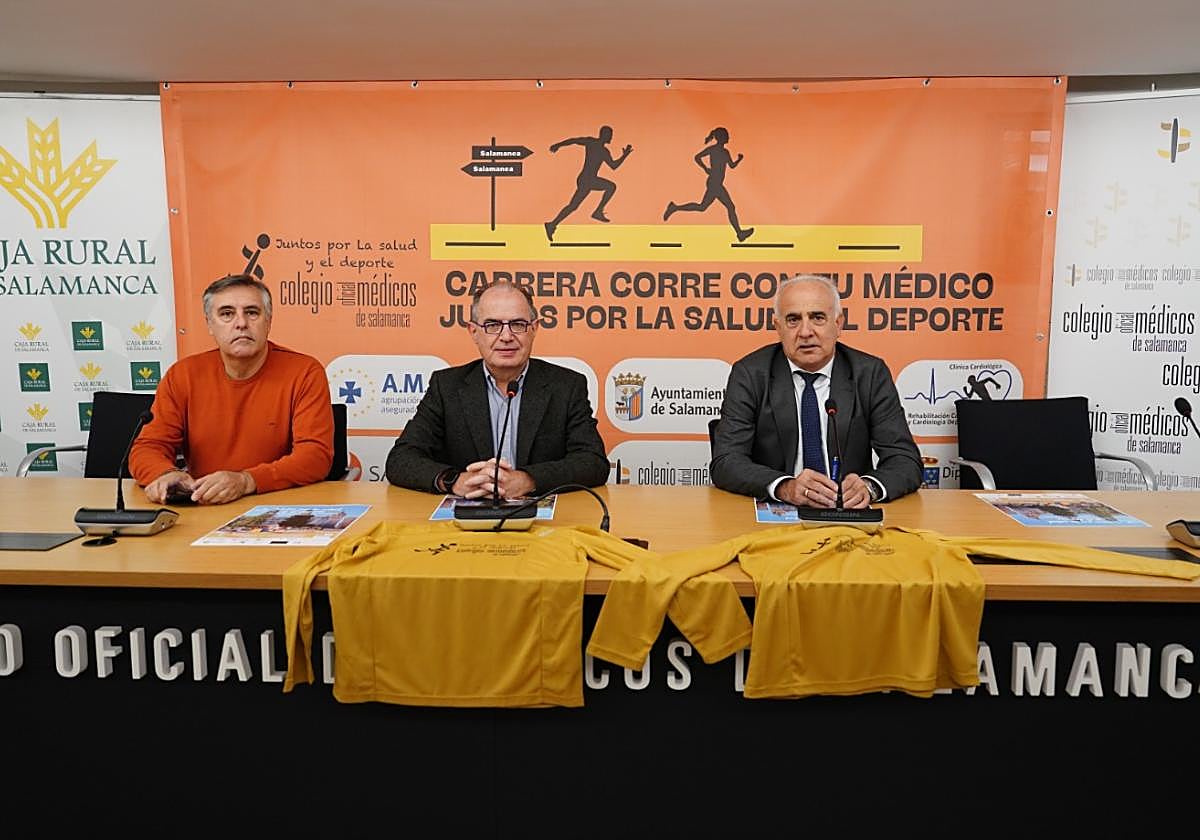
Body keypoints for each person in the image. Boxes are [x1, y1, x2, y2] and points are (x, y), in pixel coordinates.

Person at [710, 274, 922, 507]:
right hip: (777, 512)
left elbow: (905, 460)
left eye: (817, 318)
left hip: (848, 513)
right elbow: (726, 460)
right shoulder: (751, 373)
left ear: (838, 324)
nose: (805, 332)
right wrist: (785, 487)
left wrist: (869, 487)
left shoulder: (869, 374)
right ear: (778, 327)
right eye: (793, 320)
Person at [386, 281, 609, 497]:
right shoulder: (446, 387)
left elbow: (593, 462)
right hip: (467, 516)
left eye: (518, 324)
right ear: (473, 331)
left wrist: (528, 480)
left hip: (540, 517)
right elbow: (400, 459)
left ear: (534, 329)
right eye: (492, 325)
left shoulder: (567, 386)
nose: (506, 336)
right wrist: (455, 481)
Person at [130, 273, 334, 505]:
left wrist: (246, 481)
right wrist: (166, 474)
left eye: (252, 312)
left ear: (268, 321)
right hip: (203, 504)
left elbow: (315, 456)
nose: (241, 323)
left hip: (276, 503)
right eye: (227, 314)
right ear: (210, 324)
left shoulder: (304, 372)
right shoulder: (183, 374)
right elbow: (148, 447)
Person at [663, 127, 754, 242]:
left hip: (716, 183)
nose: (728, 137)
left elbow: (731, 166)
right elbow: (697, 157)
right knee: (729, 207)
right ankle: (739, 233)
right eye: (726, 136)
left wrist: (739, 160)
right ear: (721, 138)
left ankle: (675, 207)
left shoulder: (725, 152)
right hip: (714, 183)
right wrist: (705, 168)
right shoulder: (713, 149)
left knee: (703, 207)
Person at [544, 126, 634, 241]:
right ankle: (597, 212)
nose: (611, 138)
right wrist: (558, 145)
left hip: (587, 179)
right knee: (611, 187)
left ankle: (552, 224)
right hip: (587, 180)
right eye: (610, 135)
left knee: (573, 206)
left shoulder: (600, 148)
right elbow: (574, 140)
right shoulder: (593, 143)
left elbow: (613, 166)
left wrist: (624, 155)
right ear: (605, 135)